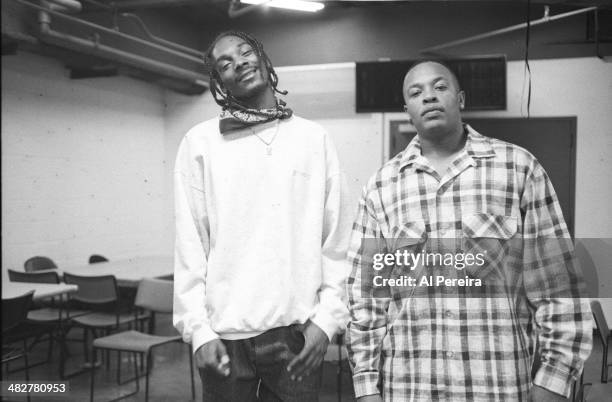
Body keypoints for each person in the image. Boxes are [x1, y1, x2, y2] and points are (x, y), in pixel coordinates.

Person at [346, 60, 592, 401]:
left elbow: (557, 283)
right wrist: (365, 386)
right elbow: (367, 299)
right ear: (407, 111)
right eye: (416, 93)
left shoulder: (518, 168)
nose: (428, 97)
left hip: (497, 386)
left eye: (440, 87)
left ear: (460, 98)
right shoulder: (381, 188)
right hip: (408, 387)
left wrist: (553, 381)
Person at [173, 31, 351, 401]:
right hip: (224, 338)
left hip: (297, 335)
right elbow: (190, 243)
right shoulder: (199, 142)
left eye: (244, 51)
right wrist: (199, 331)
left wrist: (327, 322)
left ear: (263, 59)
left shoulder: (313, 139)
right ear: (219, 82)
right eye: (225, 63)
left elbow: (337, 241)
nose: (238, 62)